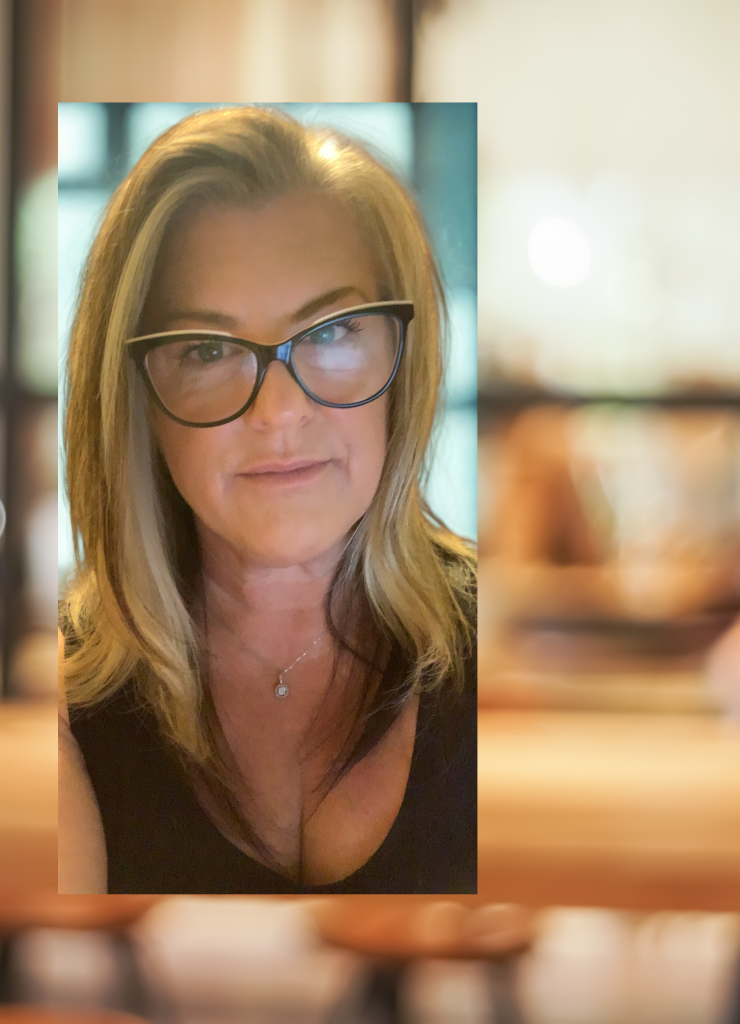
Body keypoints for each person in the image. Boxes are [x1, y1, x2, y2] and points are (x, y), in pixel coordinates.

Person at [58, 106, 476, 894]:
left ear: (405, 358)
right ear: (136, 402)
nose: (279, 412)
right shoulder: (57, 689)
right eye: (208, 349)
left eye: (332, 332)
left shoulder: (508, 655)